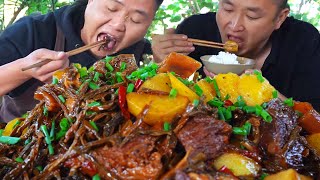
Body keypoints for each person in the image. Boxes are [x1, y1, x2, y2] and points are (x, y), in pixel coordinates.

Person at [0, 0, 164, 122]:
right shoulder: (35, 31)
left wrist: (162, 62)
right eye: (111, 8)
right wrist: (24, 68)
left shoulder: (141, 52)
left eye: (136, 20)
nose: (118, 25)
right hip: (18, 149)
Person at [152, 0, 320, 111]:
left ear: (279, 18)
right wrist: (161, 63)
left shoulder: (303, 42)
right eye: (227, 8)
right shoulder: (194, 31)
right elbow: (166, 102)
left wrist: (264, 93)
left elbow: (314, 122)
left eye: (252, 15)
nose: (234, 25)